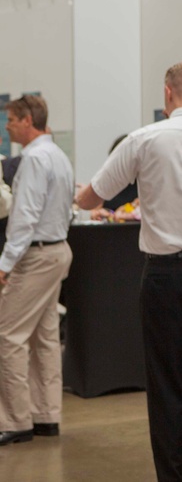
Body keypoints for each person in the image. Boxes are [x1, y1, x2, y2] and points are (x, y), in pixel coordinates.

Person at [75, 62, 182, 480]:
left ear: (167, 94)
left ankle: (175, 476)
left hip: (165, 278)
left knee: (168, 387)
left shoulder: (142, 139)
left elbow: (89, 199)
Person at [0, 95, 74, 446]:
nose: (8, 125)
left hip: (36, 256)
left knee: (7, 336)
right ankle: (46, 416)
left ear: (28, 120)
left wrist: (4, 264)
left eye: (12, 119)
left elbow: (25, 216)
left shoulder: (32, 159)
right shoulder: (58, 155)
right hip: (58, 251)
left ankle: (15, 421)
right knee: (44, 337)